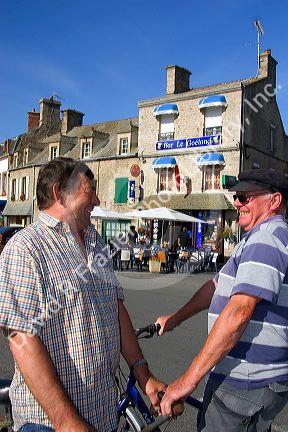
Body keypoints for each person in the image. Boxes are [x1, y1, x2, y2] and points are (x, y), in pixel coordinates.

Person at [0, 157, 165, 432]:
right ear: (58, 194)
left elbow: (116, 309)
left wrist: (144, 376)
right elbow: (21, 339)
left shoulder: (96, 242)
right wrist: (66, 423)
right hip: (48, 424)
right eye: (89, 189)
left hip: (102, 415)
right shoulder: (25, 249)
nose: (98, 200)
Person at [156, 168, 288, 431]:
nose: (237, 202)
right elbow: (214, 287)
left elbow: (239, 312)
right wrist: (175, 319)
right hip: (254, 380)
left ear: (274, 201)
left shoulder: (266, 238)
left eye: (245, 196)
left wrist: (187, 381)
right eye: (237, 196)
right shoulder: (256, 238)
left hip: (246, 382)